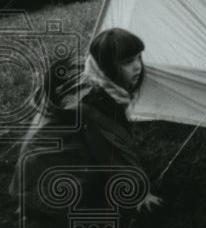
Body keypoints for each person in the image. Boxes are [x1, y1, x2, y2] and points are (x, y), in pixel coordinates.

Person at [9, 28, 164, 216]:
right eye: (128, 62)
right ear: (107, 66)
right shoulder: (92, 103)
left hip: (30, 180)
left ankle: (30, 204)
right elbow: (111, 149)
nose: (137, 67)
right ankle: (35, 209)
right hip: (49, 190)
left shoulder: (86, 80)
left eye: (139, 58)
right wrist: (140, 194)